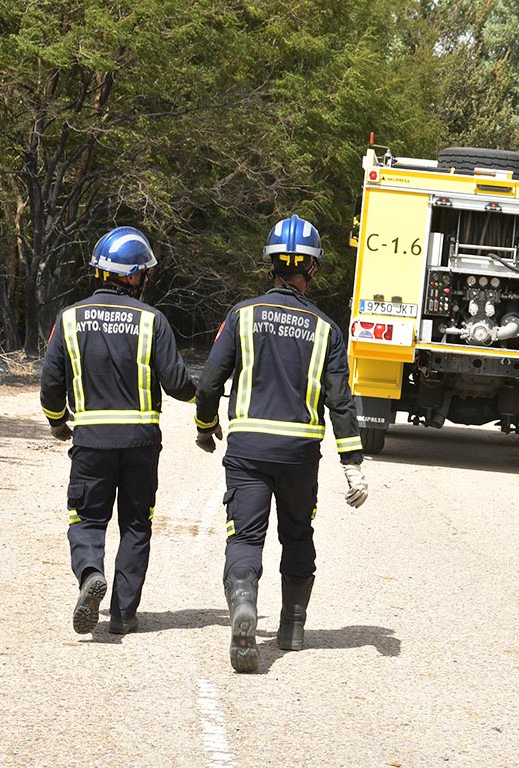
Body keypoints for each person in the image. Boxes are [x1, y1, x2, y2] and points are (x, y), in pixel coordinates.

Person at [195, 214, 368, 673]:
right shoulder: (327, 329)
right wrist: (352, 463)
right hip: (299, 455)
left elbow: (211, 378)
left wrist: (203, 424)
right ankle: (292, 627)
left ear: (270, 262)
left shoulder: (242, 314)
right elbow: (340, 401)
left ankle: (244, 604)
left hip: (248, 449)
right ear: (312, 269)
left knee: (245, 536)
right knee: (297, 533)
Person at [40, 226, 197, 636]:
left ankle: (91, 572)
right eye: (144, 272)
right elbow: (178, 383)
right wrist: (205, 399)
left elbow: (51, 382)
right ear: (132, 275)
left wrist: (58, 421)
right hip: (141, 442)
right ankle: (124, 614)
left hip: (91, 440)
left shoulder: (70, 318)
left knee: (87, 518)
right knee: (136, 524)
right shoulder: (153, 321)